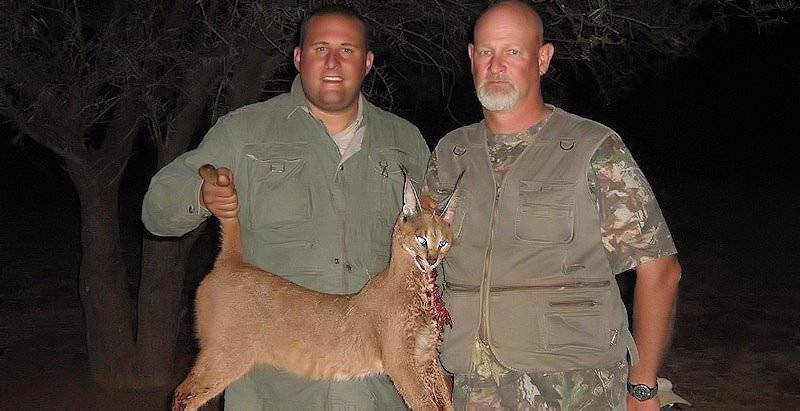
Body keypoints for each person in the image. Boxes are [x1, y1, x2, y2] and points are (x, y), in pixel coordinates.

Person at [142, 5, 429, 410]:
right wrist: (199, 196)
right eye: (319, 49)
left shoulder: (407, 143)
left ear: (367, 63)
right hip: (276, 389)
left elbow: (436, 247)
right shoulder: (245, 131)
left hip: (372, 390)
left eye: (347, 50)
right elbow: (157, 211)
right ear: (298, 58)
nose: (332, 62)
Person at [423, 1, 682, 410]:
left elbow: (659, 270)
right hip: (474, 383)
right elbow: (426, 265)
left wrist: (643, 384)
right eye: (486, 51)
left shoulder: (592, 147)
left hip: (574, 385)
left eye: (513, 52)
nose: (496, 65)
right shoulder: (451, 152)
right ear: (471, 57)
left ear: (542, 59)